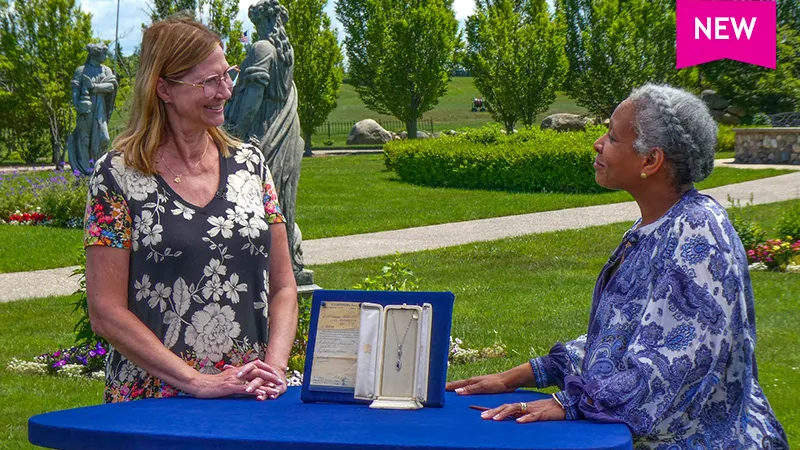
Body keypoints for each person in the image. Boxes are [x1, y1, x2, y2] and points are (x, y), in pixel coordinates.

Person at [447, 84, 789, 449]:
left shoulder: (697, 236)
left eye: (611, 136)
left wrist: (572, 402)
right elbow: (617, 340)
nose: (597, 143)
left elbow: (672, 367)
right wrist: (518, 375)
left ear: (650, 161)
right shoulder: (658, 226)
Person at [83, 15, 298, 403]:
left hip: (250, 398)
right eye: (210, 82)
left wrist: (274, 370)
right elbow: (105, 311)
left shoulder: (251, 164)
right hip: (154, 405)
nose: (227, 91)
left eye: (227, 75)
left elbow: (283, 286)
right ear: (164, 88)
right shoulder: (116, 175)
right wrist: (197, 382)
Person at [224, 0, 311, 285]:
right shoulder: (286, 51)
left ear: (260, 22)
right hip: (285, 127)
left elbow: (253, 97)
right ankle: (286, 264)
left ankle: (262, 266)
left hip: (265, 130)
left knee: (257, 198)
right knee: (280, 197)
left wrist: (233, 130)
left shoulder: (262, 48)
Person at [68, 43, 118, 175]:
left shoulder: (106, 70)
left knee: (104, 139)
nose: (106, 56)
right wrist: (78, 106)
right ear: (96, 54)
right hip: (87, 108)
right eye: (104, 53)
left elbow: (111, 86)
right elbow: (75, 90)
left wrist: (93, 87)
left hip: (100, 108)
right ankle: (85, 171)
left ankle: (98, 168)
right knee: (84, 140)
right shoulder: (81, 70)